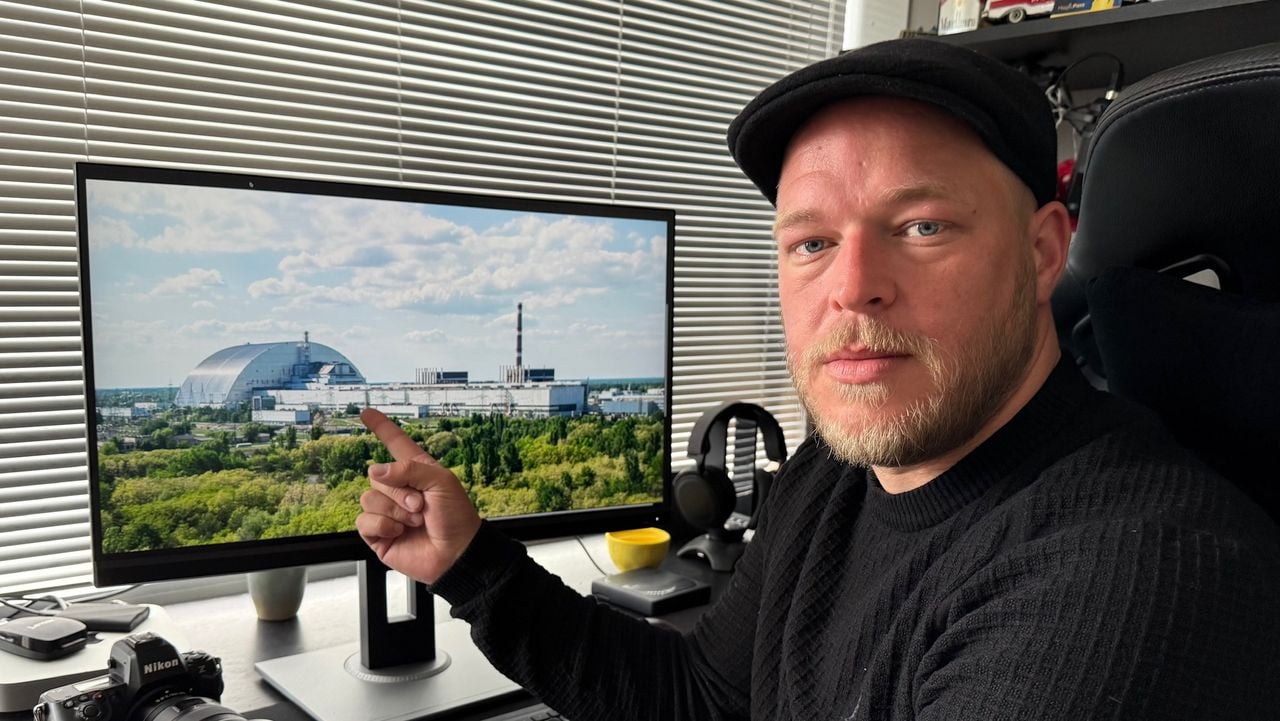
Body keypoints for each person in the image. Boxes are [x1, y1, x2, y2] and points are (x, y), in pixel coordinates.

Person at [355, 38, 1280, 720]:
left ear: (1042, 253)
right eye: (811, 242)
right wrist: (474, 565)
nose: (850, 287)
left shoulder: (1127, 584)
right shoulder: (837, 470)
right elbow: (703, 696)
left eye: (921, 226)